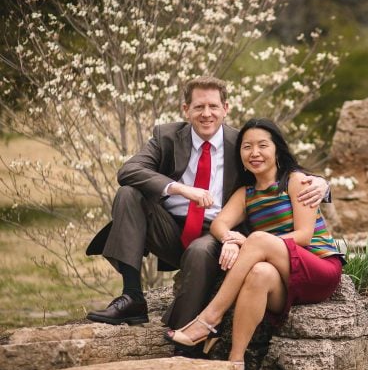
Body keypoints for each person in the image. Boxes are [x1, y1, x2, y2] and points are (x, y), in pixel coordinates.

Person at [85, 76, 329, 332]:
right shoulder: (166, 136)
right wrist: (181, 189)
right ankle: (132, 296)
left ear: (226, 108)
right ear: (186, 110)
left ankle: (183, 333)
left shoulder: (240, 144)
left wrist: (323, 184)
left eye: (213, 106)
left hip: (216, 233)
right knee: (128, 194)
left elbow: (283, 166)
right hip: (167, 228)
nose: (206, 114)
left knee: (200, 251)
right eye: (199, 107)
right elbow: (129, 170)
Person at [164, 118, 344, 370]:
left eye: (262, 145)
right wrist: (229, 239)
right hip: (284, 281)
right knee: (259, 273)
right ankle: (236, 363)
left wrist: (250, 243)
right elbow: (219, 224)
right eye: (247, 147)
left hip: (319, 270)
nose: (254, 153)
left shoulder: (296, 181)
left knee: (258, 240)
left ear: (277, 150)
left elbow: (304, 237)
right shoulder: (246, 194)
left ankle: (208, 320)